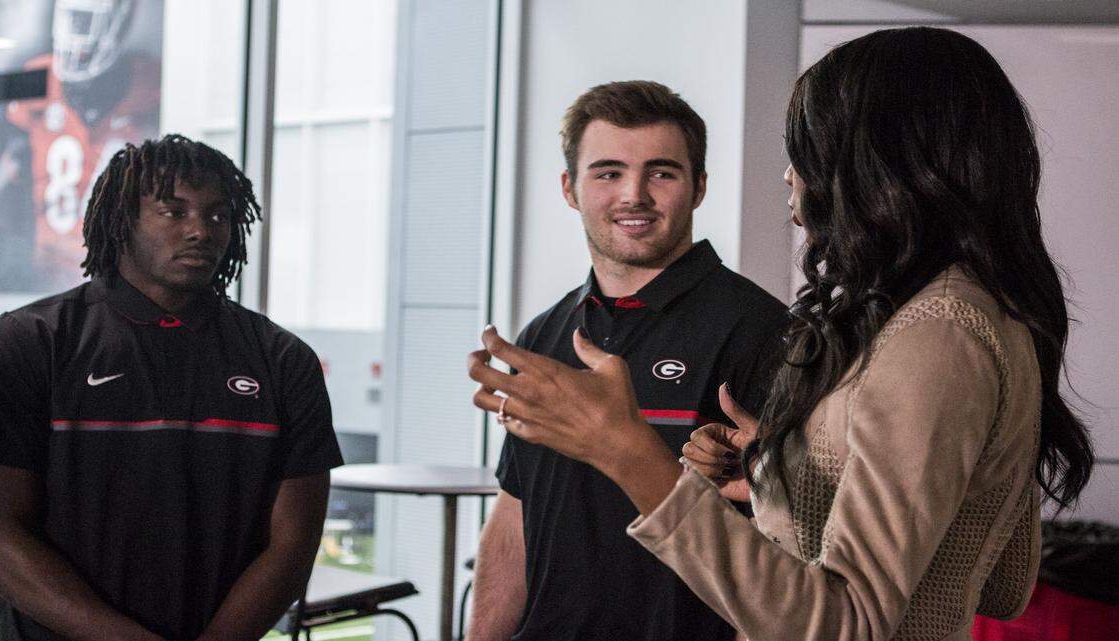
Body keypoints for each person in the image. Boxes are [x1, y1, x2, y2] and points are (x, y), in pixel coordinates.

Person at [467, 27, 1095, 641]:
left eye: (807, 149)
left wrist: (627, 452)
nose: (791, 177)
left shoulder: (937, 334)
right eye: (607, 172)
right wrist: (781, 473)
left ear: (876, 161)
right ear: (571, 188)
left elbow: (847, 622)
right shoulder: (960, 316)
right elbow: (999, 576)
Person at [0, 134, 343, 641]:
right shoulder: (29, 342)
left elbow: (292, 547)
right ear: (123, 220)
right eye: (174, 212)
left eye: (218, 216)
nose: (201, 230)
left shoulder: (283, 360)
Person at [467, 80, 787, 641]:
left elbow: (787, 538)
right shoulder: (542, 336)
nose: (633, 195)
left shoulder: (762, 330)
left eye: (661, 173)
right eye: (608, 172)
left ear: (699, 187)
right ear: (570, 188)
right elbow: (515, 515)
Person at [0, 0, 159, 292]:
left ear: (121, 22)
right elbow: (6, 184)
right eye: (73, 20)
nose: (78, 37)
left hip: (119, 281)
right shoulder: (39, 81)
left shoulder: (151, 88)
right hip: (45, 277)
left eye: (85, 22)